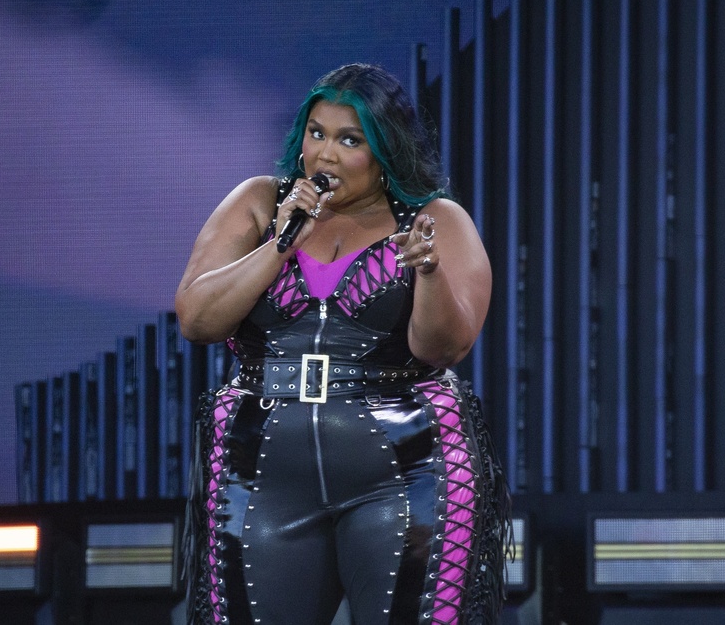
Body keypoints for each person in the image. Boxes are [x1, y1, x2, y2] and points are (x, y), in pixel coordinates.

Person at [175, 63, 508, 624]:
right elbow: (198, 319)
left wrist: (427, 274)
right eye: (316, 133)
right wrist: (282, 243)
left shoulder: (433, 220)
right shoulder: (260, 203)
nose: (324, 155)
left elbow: (443, 349)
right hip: (262, 472)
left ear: (385, 153)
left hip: (405, 472)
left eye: (349, 140)